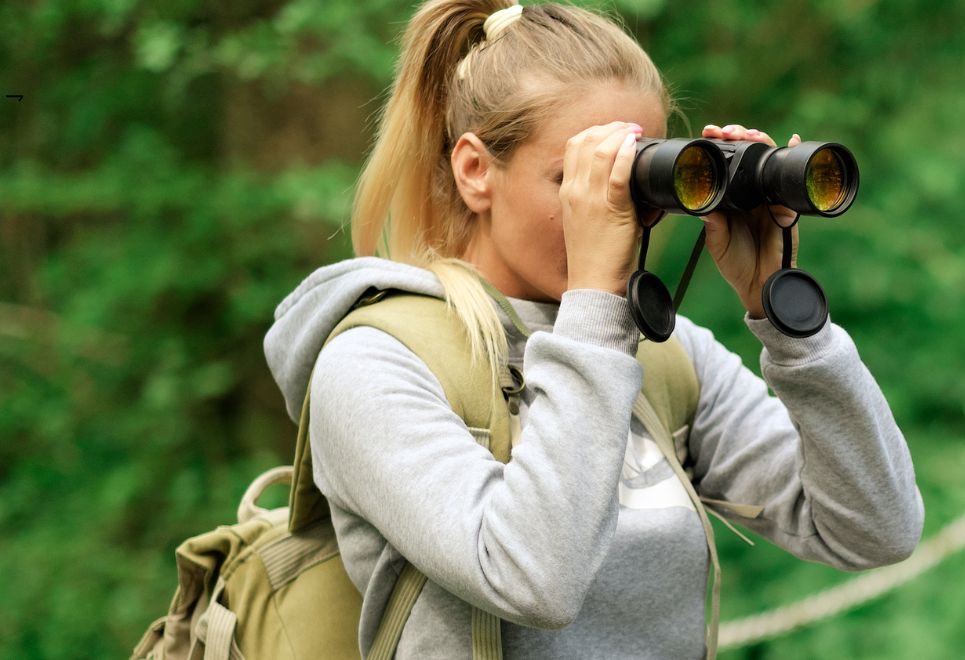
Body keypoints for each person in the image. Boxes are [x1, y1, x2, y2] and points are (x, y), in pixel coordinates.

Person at [259, 1, 924, 657]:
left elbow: (875, 529)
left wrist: (787, 319)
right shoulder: (376, 362)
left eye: (638, 180)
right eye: (575, 178)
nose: (615, 211)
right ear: (474, 171)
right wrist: (595, 308)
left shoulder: (662, 356)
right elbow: (532, 581)